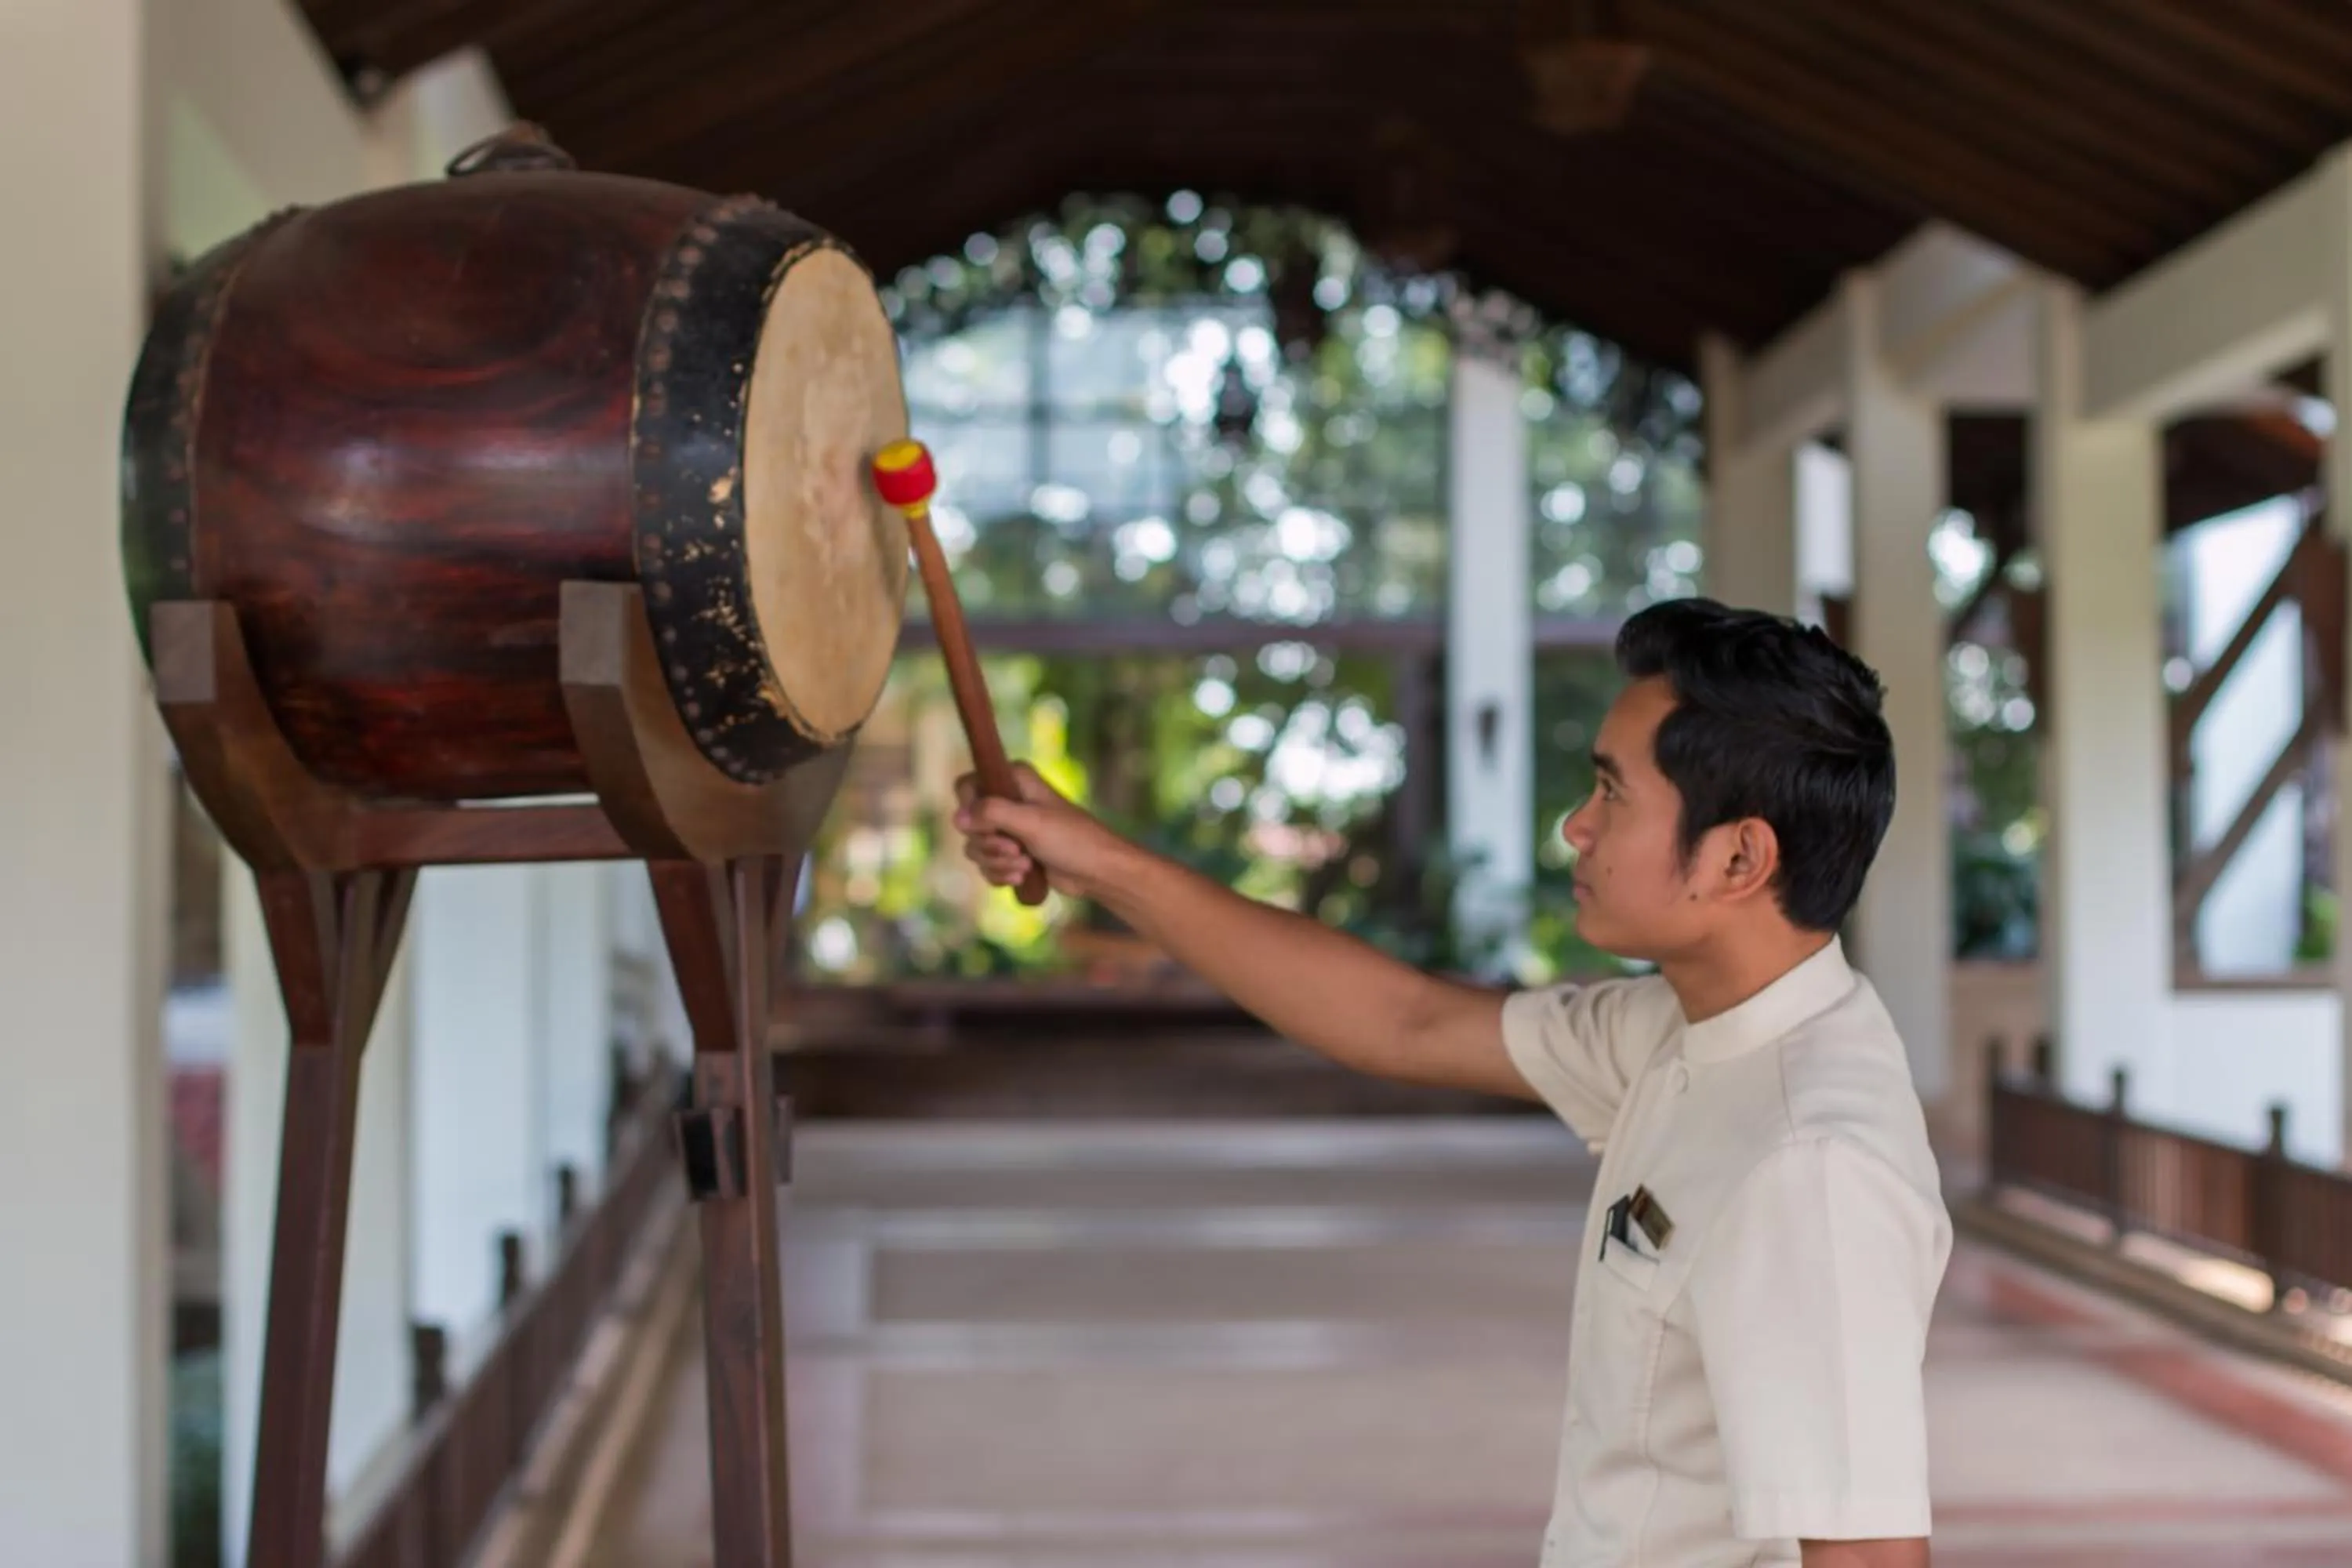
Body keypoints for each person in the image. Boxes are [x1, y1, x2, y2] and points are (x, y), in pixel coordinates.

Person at [953, 596, 1949, 1568]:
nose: (1576, 826)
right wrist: (1100, 862)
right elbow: (1407, 1019)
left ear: (1739, 855)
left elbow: (1865, 1552)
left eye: (1613, 792)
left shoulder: (1810, 1164)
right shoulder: (1681, 1034)